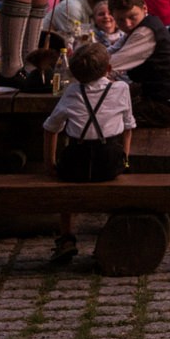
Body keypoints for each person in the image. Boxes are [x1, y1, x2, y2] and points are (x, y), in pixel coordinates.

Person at [42, 41, 134, 264]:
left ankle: (66, 237)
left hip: (76, 162)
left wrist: (50, 163)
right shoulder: (121, 89)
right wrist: (125, 160)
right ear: (108, 69)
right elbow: (128, 127)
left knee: (66, 182)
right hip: (109, 162)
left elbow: (50, 128)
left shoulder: (72, 92)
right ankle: (114, 233)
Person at [108, 0, 170, 127]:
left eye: (132, 17)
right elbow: (112, 51)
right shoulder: (142, 25)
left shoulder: (144, 33)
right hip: (166, 97)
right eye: (120, 20)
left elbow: (111, 66)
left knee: (106, 113)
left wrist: (86, 66)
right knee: (113, 97)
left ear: (144, 8)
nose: (127, 24)